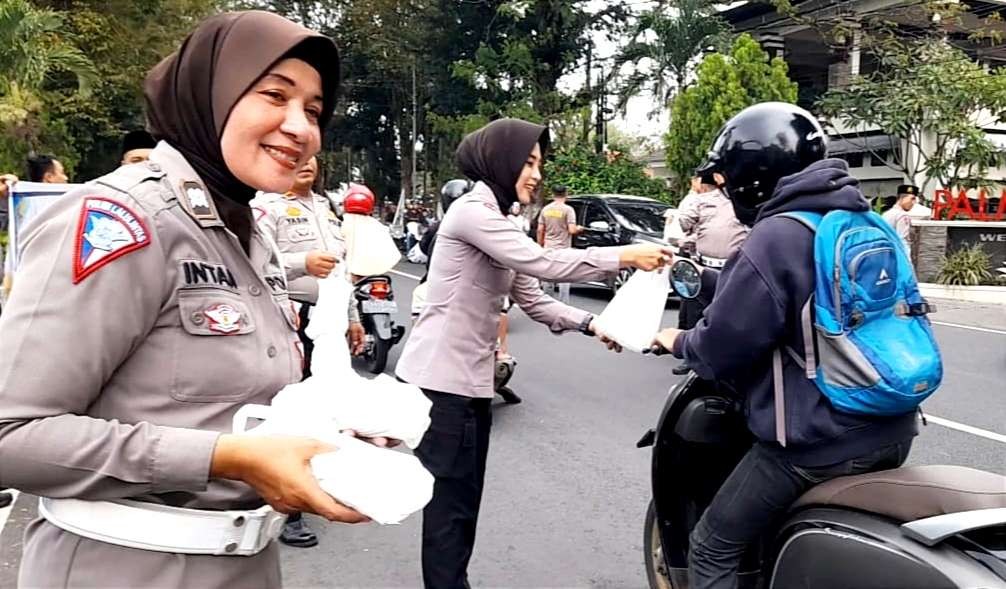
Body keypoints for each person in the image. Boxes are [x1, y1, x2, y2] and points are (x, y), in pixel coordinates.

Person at [0, 12, 375, 589]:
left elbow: (229, 402)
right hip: (123, 568)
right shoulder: (124, 220)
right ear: (211, 96)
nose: (300, 127)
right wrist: (225, 458)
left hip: (245, 562)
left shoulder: (250, 233)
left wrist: (333, 430)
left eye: (315, 111)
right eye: (275, 95)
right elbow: (11, 436)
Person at [396, 118, 672, 589]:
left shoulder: (501, 219)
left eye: (539, 164)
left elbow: (535, 296)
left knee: (463, 508)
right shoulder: (472, 212)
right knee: (449, 514)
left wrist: (593, 322)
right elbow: (544, 262)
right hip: (443, 384)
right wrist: (625, 255)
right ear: (500, 162)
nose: (537, 174)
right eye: (528, 162)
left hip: (472, 383)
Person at [652, 102, 917, 589]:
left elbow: (720, 347)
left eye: (728, 178)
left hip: (820, 442)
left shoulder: (777, 234)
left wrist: (676, 338)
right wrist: (707, 280)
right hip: (893, 427)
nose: (727, 189)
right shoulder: (860, 219)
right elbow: (790, 298)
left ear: (754, 173)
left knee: (711, 546)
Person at [251, 156, 366, 549]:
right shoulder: (266, 207)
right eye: (296, 159)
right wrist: (303, 263)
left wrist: (354, 318)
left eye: (311, 158)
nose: (306, 164)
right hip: (291, 319)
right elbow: (253, 264)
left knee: (327, 407)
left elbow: (342, 271)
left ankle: (318, 486)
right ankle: (287, 511)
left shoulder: (325, 208)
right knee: (292, 410)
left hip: (330, 321)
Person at [671, 170, 749, 375]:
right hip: (703, 265)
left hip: (732, 267)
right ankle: (691, 357)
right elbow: (683, 224)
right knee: (696, 313)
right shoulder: (702, 201)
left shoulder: (745, 202)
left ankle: (727, 356)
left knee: (727, 314)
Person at [535, 184, 582, 304]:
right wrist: (579, 228)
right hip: (564, 249)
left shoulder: (546, 209)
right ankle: (563, 305)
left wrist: (540, 245)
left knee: (548, 277)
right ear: (566, 193)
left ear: (553, 194)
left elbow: (540, 229)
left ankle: (547, 304)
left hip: (549, 248)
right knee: (564, 278)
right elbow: (572, 230)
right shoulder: (568, 210)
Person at [882, 183, 919, 255]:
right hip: (897, 254)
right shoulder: (902, 215)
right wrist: (907, 261)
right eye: (912, 199)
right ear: (902, 198)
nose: (913, 203)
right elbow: (902, 240)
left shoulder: (886, 214)